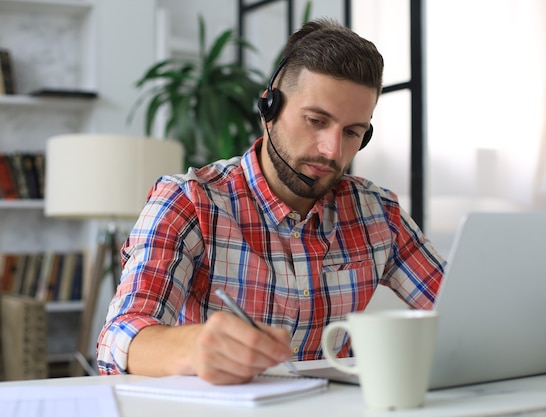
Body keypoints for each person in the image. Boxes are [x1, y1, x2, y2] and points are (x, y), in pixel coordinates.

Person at [97, 18, 445, 385]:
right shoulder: (189, 201)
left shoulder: (379, 215)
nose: (332, 150)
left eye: (353, 132)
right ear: (270, 107)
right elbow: (117, 341)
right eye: (315, 120)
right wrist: (192, 346)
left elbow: (463, 316)